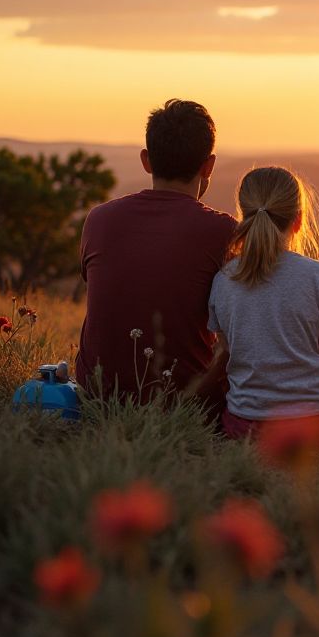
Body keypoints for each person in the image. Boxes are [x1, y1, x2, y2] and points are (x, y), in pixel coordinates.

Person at [76, 100, 236, 419]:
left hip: (97, 399)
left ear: (146, 161)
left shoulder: (98, 219)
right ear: (209, 166)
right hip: (189, 406)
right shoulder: (224, 231)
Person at [207, 166, 319, 445]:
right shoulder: (317, 275)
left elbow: (226, 350)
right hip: (315, 424)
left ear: (243, 217)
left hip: (246, 425)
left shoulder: (223, 280)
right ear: (297, 221)